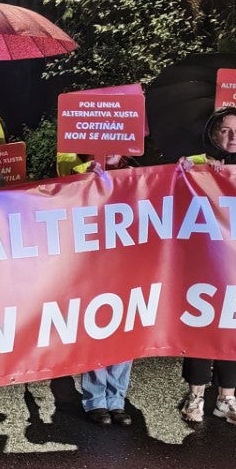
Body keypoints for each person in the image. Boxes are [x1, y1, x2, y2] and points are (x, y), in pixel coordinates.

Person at [174, 107, 236, 426]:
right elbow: (172, 181)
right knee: (202, 327)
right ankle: (195, 395)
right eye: (225, 130)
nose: (232, 136)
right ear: (213, 134)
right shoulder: (197, 163)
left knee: (233, 331)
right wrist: (188, 170)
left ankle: (227, 398)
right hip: (203, 264)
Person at [55, 151, 137, 425]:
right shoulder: (74, 166)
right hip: (92, 262)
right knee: (98, 328)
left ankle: (117, 400)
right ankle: (95, 400)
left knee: (126, 334)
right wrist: (86, 173)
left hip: (128, 263)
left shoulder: (139, 173)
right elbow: (61, 194)